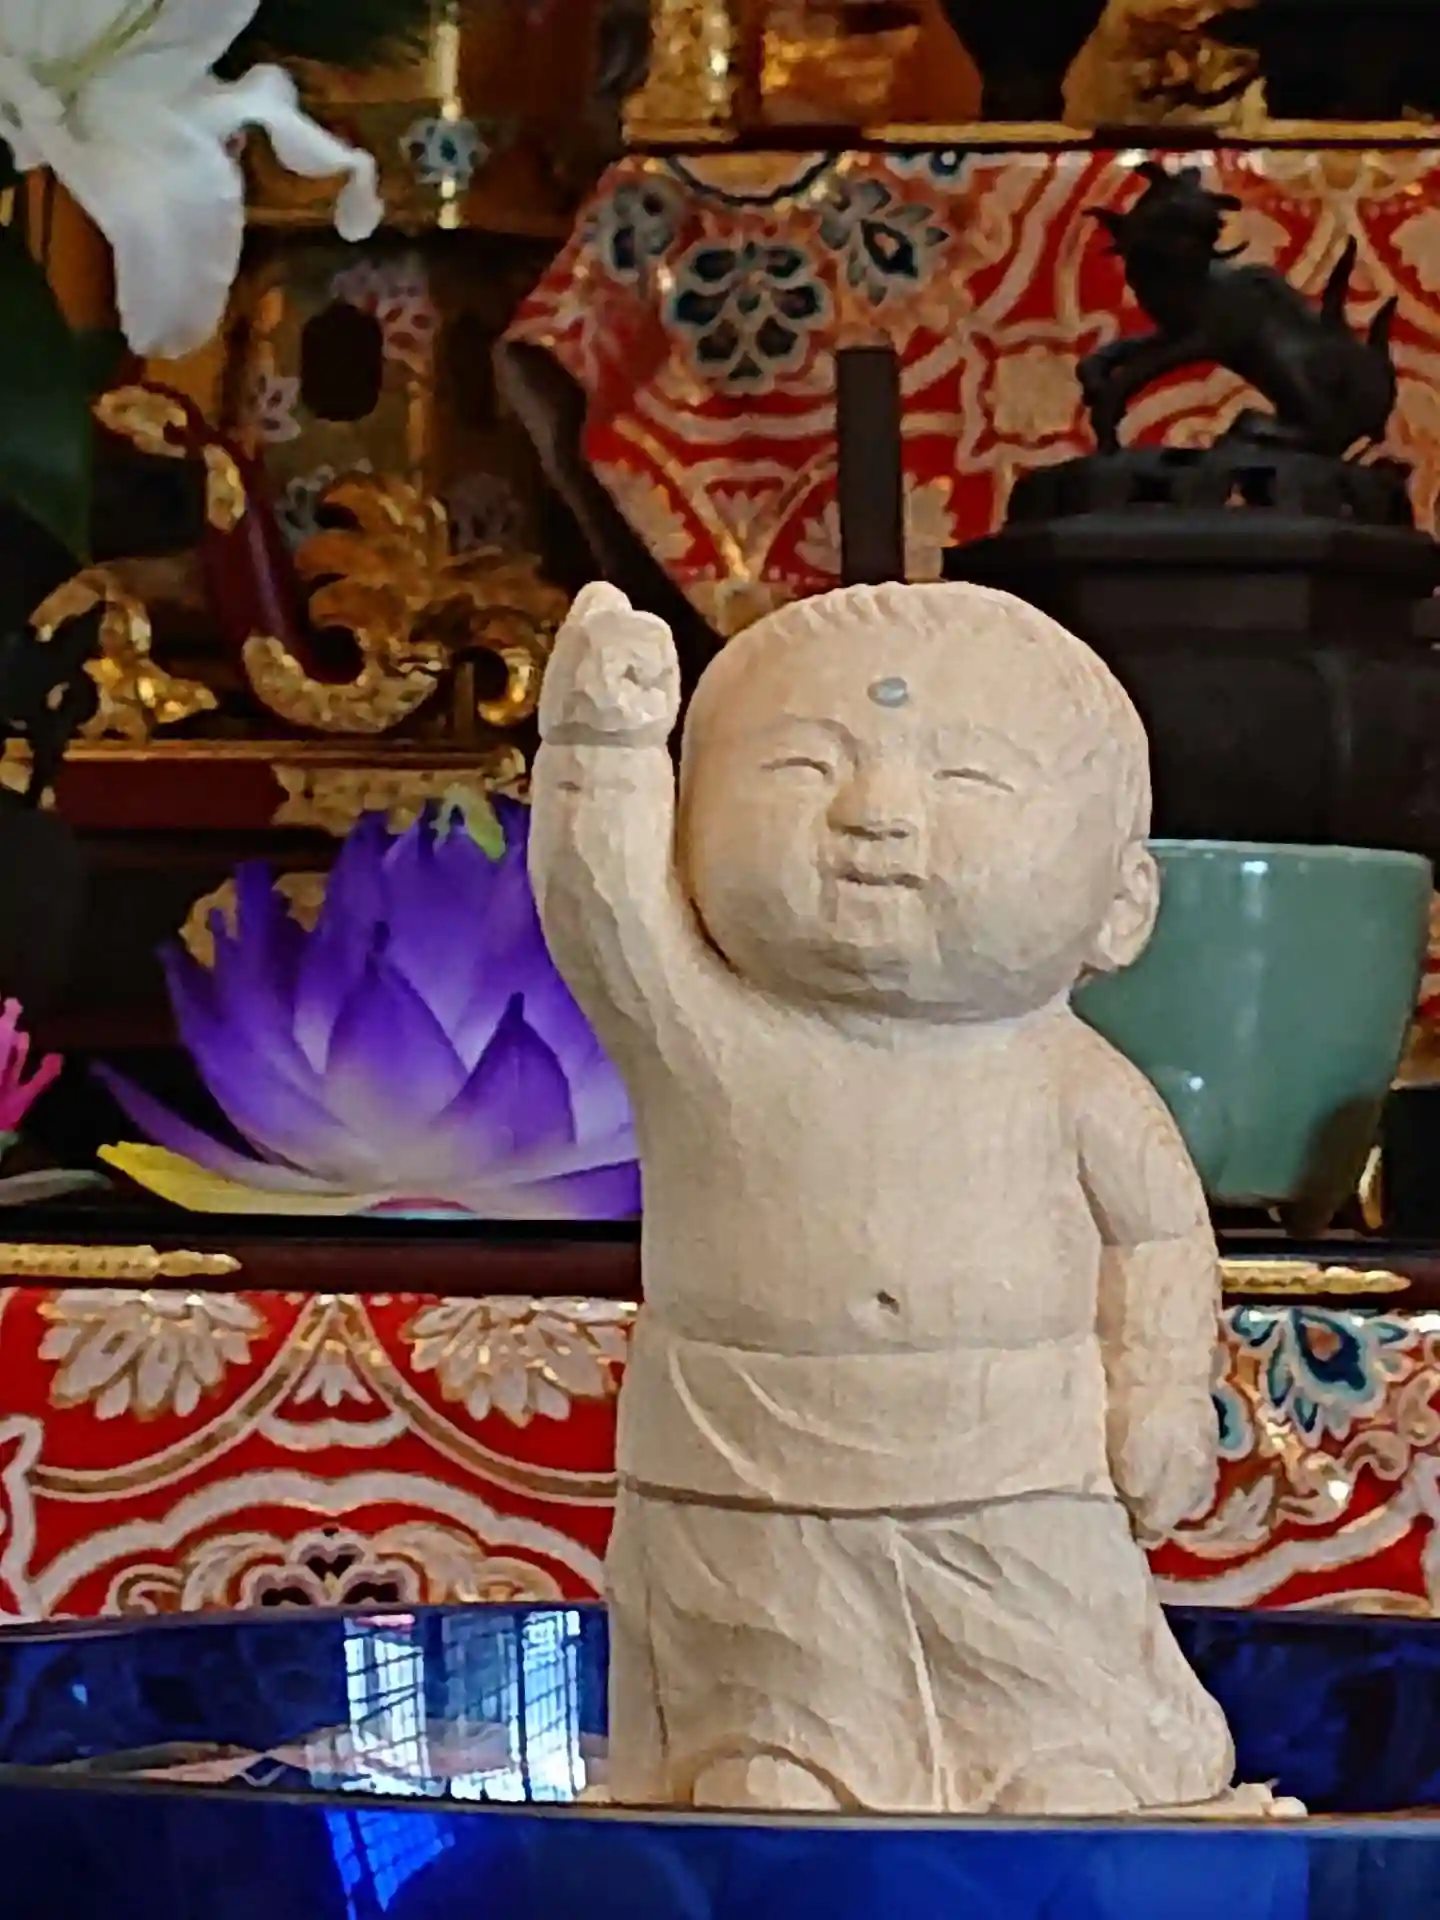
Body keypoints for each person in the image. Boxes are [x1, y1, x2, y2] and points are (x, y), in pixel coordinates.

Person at [529, 577, 1295, 1816]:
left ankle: (1068, 1759)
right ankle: (773, 1762)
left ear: (1122, 906)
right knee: (772, 1641)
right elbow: (599, 917)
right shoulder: (707, 1039)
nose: (874, 815)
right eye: (801, 766)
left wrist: (1159, 1390)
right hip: (744, 1445)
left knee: (1043, 1637)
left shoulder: (1070, 1080)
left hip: (1016, 1454)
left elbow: (1157, 1239)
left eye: (964, 780)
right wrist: (600, 752)